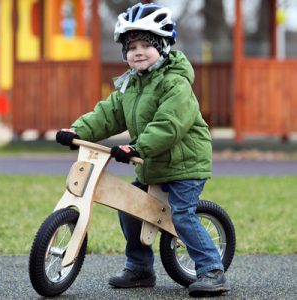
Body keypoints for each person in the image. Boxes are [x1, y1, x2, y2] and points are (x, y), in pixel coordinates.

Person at [56, 2, 230, 297]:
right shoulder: (130, 86)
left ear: (163, 46)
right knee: (129, 208)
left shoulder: (176, 84)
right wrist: (78, 130)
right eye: (131, 45)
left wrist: (137, 146)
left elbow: (168, 125)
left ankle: (212, 269)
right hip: (152, 163)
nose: (137, 51)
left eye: (146, 44)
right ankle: (139, 268)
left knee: (182, 215)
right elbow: (107, 114)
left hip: (184, 164)